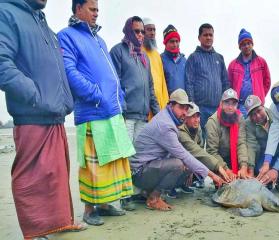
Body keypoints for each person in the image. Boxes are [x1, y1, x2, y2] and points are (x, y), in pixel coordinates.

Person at [0, 0, 87, 238]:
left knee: (55, 174)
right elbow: (2, 63)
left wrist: (65, 100)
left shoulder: (42, 22)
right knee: (31, 177)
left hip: (54, 113)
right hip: (31, 113)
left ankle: (60, 221)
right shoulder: (6, 12)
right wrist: (33, 94)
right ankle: (36, 230)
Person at [58, 0, 135, 226]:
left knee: (111, 160)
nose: (96, 14)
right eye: (92, 9)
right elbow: (69, 71)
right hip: (91, 111)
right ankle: (89, 209)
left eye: (98, 9)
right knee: (93, 163)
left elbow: (111, 73)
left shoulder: (99, 39)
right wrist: (96, 93)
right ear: (78, 8)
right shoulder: (67, 36)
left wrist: (119, 96)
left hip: (112, 110)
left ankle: (104, 203)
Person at [131, 89, 226, 211]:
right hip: (138, 173)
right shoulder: (166, 125)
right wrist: (213, 176)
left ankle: (148, 192)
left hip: (148, 166)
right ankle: (154, 198)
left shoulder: (169, 118)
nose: (184, 113)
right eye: (181, 107)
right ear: (171, 105)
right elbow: (184, 155)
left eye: (186, 109)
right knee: (179, 164)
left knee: (186, 164)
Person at [109, 16, 160, 210]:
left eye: (141, 31)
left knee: (140, 155)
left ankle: (136, 192)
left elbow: (151, 88)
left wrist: (157, 113)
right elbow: (115, 83)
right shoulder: (118, 52)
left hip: (143, 116)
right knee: (125, 155)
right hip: (126, 114)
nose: (140, 35)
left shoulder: (144, 57)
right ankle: (124, 196)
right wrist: (121, 110)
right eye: (136, 31)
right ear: (128, 31)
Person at [185, 23, 230, 134]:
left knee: (216, 139)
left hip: (217, 108)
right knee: (200, 139)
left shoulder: (219, 58)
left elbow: (225, 82)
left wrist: (225, 104)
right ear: (199, 38)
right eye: (205, 35)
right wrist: (192, 106)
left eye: (211, 35)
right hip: (200, 108)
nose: (208, 37)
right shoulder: (193, 57)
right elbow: (189, 83)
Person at [244, 95, 279, 192]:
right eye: (252, 114)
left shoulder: (276, 114)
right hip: (264, 155)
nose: (257, 116)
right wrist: (250, 171)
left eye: (259, 111)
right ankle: (267, 180)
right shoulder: (248, 123)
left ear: (263, 106)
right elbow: (251, 146)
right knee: (258, 169)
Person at [178, 102, 233, 182]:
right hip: (180, 161)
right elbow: (197, 152)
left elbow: (200, 148)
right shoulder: (181, 132)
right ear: (186, 118)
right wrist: (218, 168)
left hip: (191, 158)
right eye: (193, 117)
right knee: (181, 165)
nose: (197, 120)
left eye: (198, 116)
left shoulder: (197, 127)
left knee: (204, 162)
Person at [206, 88, 251, 179]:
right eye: (227, 103)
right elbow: (212, 152)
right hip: (219, 159)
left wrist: (243, 166)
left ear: (237, 105)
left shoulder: (240, 118)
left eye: (233, 104)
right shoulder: (212, 122)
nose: (230, 107)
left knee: (245, 175)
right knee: (224, 182)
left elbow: (241, 143)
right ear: (221, 104)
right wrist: (226, 169)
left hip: (234, 157)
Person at [228, 29, 271, 117]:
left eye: (248, 43)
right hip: (240, 106)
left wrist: (260, 95)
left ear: (252, 44)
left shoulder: (261, 62)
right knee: (242, 130)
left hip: (257, 106)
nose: (247, 46)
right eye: (243, 44)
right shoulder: (233, 65)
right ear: (239, 47)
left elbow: (267, 82)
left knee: (258, 129)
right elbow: (229, 85)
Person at [142, 17, 169, 113]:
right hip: (145, 106)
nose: (152, 33)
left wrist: (166, 105)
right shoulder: (138, 52)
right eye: (149, 29)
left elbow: (163, 82)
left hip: (160, 106)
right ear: (142, 31)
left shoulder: (157, 55)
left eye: (154, 30)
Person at [161, 24, 187, 95]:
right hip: (168, 103)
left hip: (183, 103)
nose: (175, 44)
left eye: (177, 41)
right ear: (165, 43)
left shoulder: (184, 60)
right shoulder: (160, 60)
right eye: (172, 41)